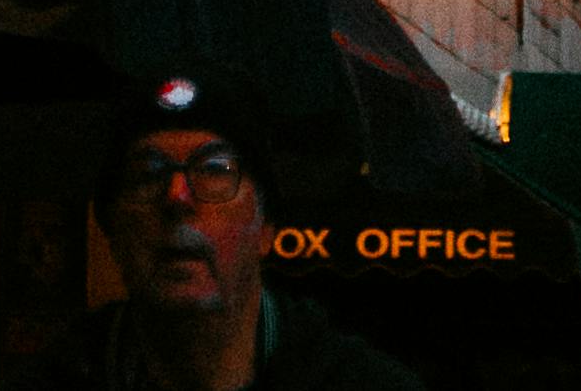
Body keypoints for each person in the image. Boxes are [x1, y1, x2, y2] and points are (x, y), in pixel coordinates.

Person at [93, 75, 419, 391]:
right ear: (113, 229)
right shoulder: (60, 376)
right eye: (149, 173)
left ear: (266, 227)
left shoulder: (359, 381)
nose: (177, 196)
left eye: (213, 170)